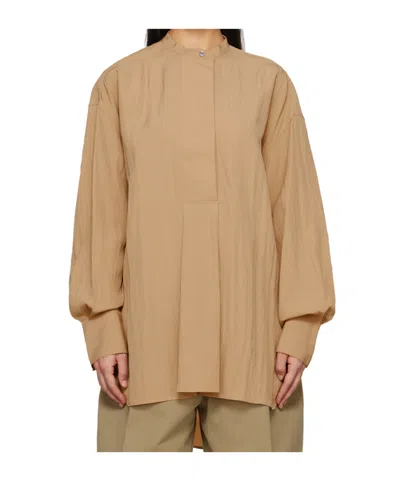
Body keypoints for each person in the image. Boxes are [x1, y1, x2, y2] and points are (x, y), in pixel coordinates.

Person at [68, 28, 336, 452]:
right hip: (144, 348)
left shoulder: (268, 82)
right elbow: (100, 214)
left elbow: (296, 210)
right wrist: (103, 328)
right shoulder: (120, 83)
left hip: (253, 346)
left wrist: (300, 328)